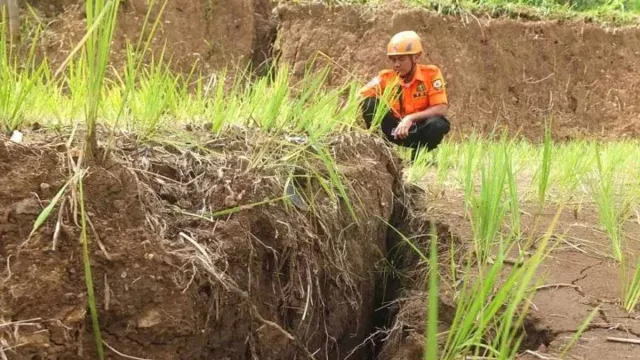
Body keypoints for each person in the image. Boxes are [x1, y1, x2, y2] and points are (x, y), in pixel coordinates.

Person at [359, 30, 451, 162]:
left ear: (416, 57)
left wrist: (410, 119)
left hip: (417, 130)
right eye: (393, 59)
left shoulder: (431, 74)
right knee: (369, 104)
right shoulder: (385, 77)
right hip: (393, 129)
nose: (397, 64)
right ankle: (384, 152)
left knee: (438, 124)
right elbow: (360, 96)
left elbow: (441, 108)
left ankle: (418, 157)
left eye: (401, 59)